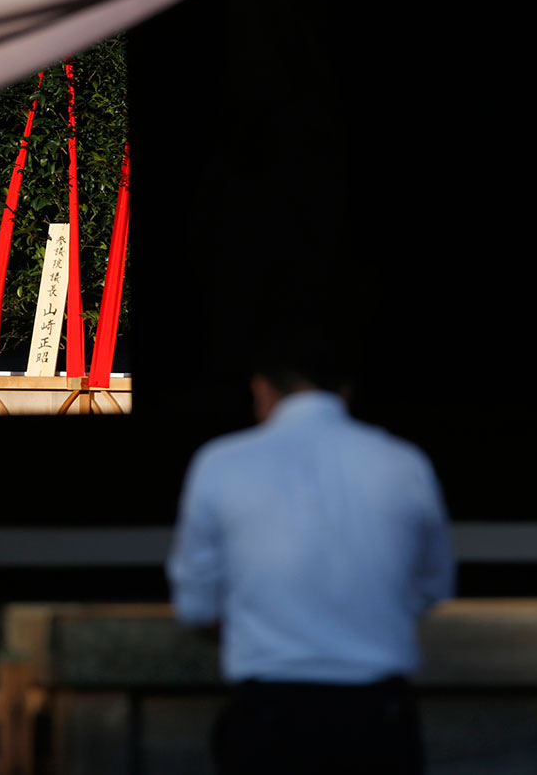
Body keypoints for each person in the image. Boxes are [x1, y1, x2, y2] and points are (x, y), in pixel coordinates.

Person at [167, 328, 454, 775]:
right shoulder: (403, 463)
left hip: (268, 717)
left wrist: (272, 625)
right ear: (345, 391)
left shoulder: (221, 464)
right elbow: (432, 586)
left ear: (262, 388)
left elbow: (197, 606)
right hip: (377, 717)